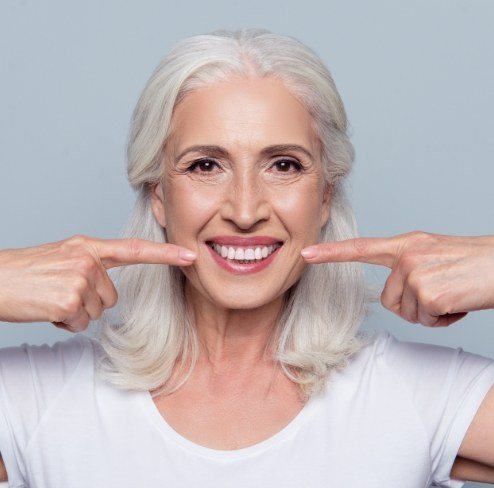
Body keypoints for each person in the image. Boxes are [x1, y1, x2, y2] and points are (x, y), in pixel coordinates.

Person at [0, 28, 493, 487]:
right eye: (205, 165)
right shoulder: (39, 399)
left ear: (324, 197)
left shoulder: (414, 394)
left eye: (284, 165)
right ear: (157, 195)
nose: (244, 210)